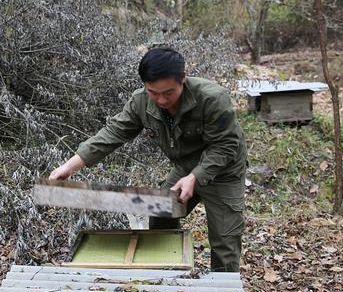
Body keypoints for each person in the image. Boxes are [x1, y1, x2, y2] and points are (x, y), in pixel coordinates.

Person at [49, 47, 247, 272]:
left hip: (224, 171)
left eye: (168, 92)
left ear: (183, 78)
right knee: (161, 217)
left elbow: (225, 145)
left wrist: (196, 177)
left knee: (225, 240)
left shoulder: (212, 98)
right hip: (185, 167)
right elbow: (113, 133)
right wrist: (70, 166)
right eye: (154, 92)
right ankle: (165, 277)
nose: (161, 100)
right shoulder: (140, 101)